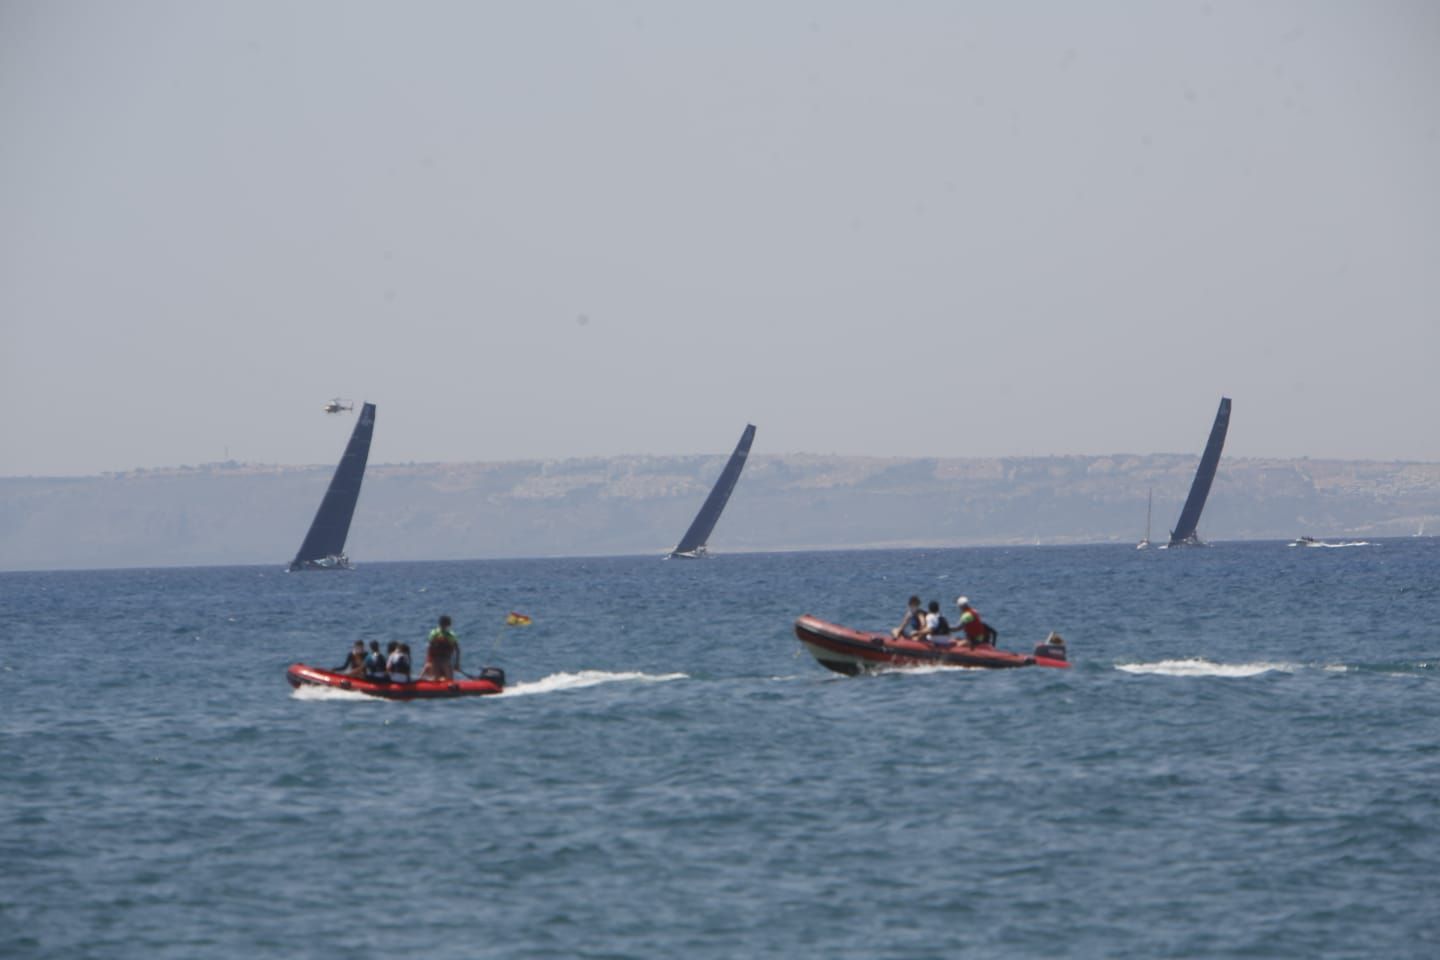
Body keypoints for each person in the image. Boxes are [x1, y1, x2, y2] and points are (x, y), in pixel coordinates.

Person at [420, 615, 460, 681]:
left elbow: (430, 648)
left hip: (437, 660)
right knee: (448, 680)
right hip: (444, 660)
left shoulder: (434, 633)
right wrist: (457, 663)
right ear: (449, 624)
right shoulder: (450, 635)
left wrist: (428, 661)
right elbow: (457, 650)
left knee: (436, 679)